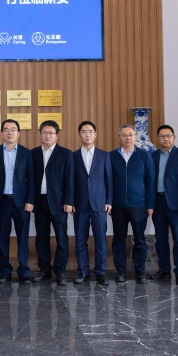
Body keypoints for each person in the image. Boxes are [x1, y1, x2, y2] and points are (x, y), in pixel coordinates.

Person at [0, 119, 35, 284]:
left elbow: (32, 179)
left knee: (23, 238)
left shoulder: (26, 153)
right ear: (2, 133)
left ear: (18, 133)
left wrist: (30, 200)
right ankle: (5, 271)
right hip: (2, 202)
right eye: (6, 130)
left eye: (13, 129)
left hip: (22, 203)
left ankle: (24, 271)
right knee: (2, 238)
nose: (10, 132)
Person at [109, 124, 155, 284]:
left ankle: (140, 272)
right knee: (118, 240)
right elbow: (108, 181)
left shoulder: (144, 155)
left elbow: (151, 182)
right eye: (124, 135)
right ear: (119, 137)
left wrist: (150, 205)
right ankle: (120, 272)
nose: (128, 138)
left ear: (135, 137)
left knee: (140, 240)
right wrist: (109, 202)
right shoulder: (112, 156)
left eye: (131, 135)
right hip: (118, 205)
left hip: (139, 205)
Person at [31, 120, 74, 285]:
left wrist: (69, 201)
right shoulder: (34, 153)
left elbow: (70, 179)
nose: (47, 135)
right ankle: (44, 270)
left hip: (59, 202)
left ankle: (60, 271)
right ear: (40, 134)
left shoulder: (66, 154)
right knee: (41, 238)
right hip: (40, 201)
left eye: (51, 133)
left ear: (56, 135)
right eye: (44, 132)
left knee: (61, 239)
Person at [149, 125, 178, 285]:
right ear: (158, 138)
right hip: (158, 202)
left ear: (174, 138)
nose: (165, 139)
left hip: (176, 204)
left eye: (168, 136)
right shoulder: (153, 156)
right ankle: (164, 268)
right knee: (160, 238)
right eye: (162, 136)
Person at [71, 120, 113, 286]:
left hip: (99, 203)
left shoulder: (104, 155)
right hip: (79, 204)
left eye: (90, 131)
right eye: (84, 132)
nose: (87, 134)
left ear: (95, 135)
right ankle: (83, 271)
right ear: (79, 135)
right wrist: (70, 201)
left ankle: (101, 271)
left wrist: (109, 200)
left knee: (100, 239)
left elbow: (109, 179)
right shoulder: (73, 156)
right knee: (80, 239)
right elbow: (70, 181)